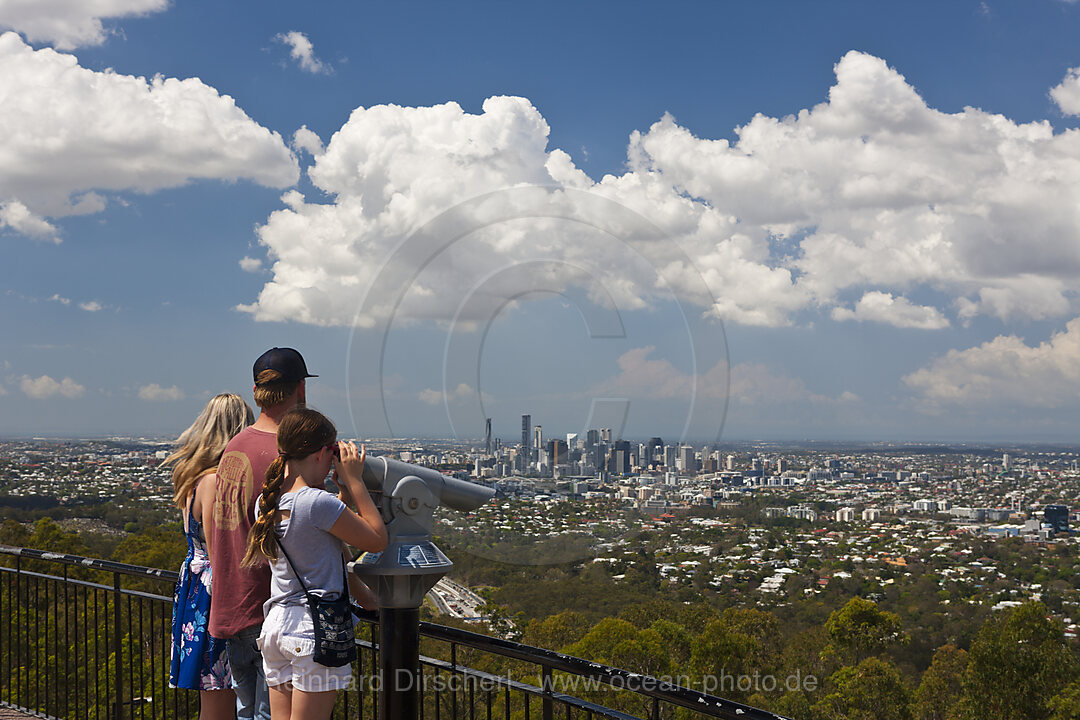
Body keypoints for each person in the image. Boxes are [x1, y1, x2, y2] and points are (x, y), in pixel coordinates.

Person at [241, 408, 387, 720]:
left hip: (276, 629)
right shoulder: (317, 503)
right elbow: (377, 539)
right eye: (333, 452)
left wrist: (342, 495)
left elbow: (315, 536)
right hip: (312, 633)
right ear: (323, 452)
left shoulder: (266, 503)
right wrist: (356, 481)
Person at [206, 348, 316, 720]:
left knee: (246, 712)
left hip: (231, 603)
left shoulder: (235, 446)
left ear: (256, 392)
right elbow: (304, 533)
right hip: (271, 609)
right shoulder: (287, 453)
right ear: (300, 389)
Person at [167, 393, 254, 720]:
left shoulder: (192, 479)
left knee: (215, 702)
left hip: (195, 592)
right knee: (222, 702)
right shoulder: (216, 482)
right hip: (219, 599)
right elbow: (224, 554)